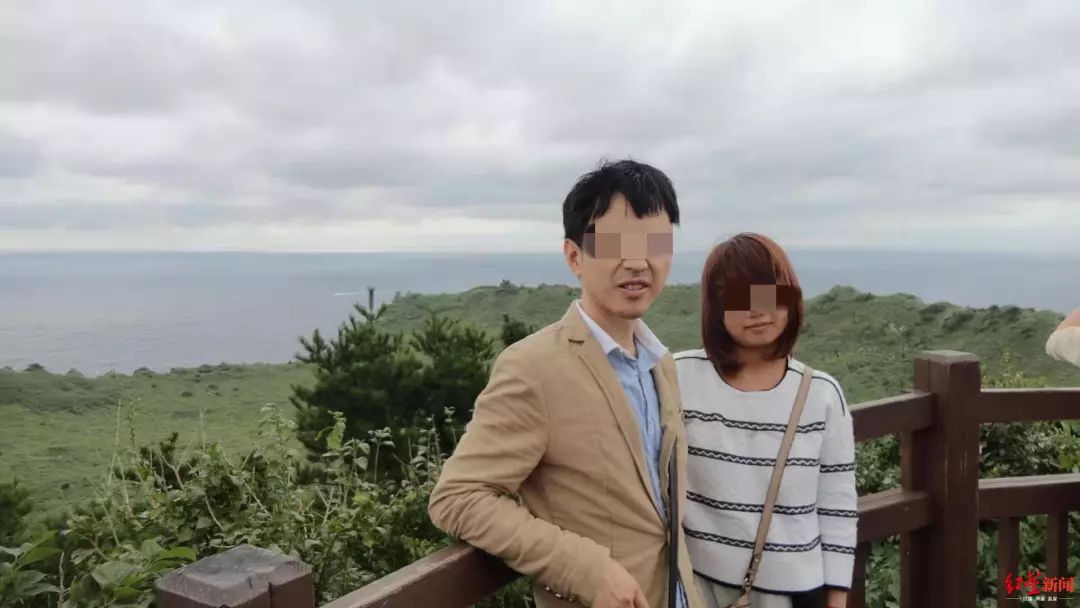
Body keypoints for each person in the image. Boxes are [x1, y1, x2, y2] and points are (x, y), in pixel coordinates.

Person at [429, 159, 705, 608]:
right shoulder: (533, 367)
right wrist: (584, 569)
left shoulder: (660, 363)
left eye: (655, 243)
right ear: (575, 256)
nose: (638, 262)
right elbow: (459, 498)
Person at [673, 234, 857, 608]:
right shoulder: (678, 377)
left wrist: (837, 600)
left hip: (794, 594)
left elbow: (837, 508)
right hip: (696, 587)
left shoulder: (821, 394)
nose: (757, 309)